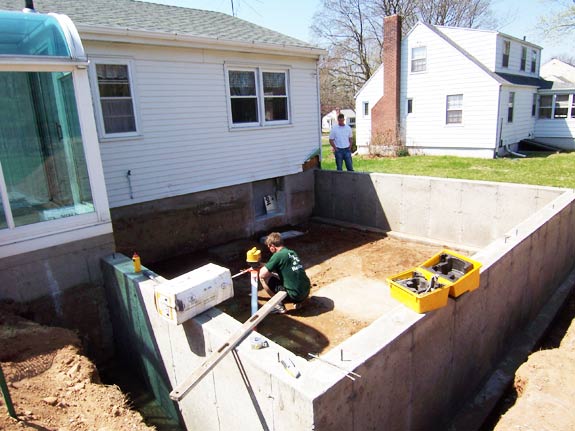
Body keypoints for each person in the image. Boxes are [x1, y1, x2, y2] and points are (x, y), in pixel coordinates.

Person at [259, 232, 311, 314]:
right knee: (280, 275)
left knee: (264, 278)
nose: (269, 249)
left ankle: (279, 306)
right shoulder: (291, 252)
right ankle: (299, 302)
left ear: (272, 246)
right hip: (305, 292)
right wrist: (263, 264)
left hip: (295, 296)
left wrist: (259, 267)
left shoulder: (277, 255)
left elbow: (262, 274)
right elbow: (280, 266)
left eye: (269, 247)